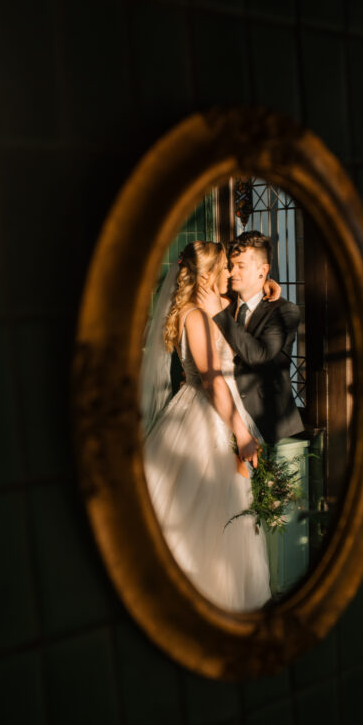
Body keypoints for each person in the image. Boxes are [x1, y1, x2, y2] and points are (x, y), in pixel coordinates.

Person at [142, 241, 271, 612]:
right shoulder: (196, 316)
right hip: (209, 417)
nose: (229, 273)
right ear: (208, 274)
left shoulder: (207, 307)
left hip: (215, 410)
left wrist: (265, 286)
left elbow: (237, 307)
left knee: (224, 513)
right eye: (225, 267)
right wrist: (242, 434)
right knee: (213, 515)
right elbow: (214, 381)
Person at [197, 231, 303, 445]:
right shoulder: (225, 304)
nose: (232, 272)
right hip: (228, 424)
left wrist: (219, 314)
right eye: (231, 265)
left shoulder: (284, 311)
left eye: (241, 266)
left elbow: (259, 355)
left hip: (272, 427)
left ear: (262, 271)